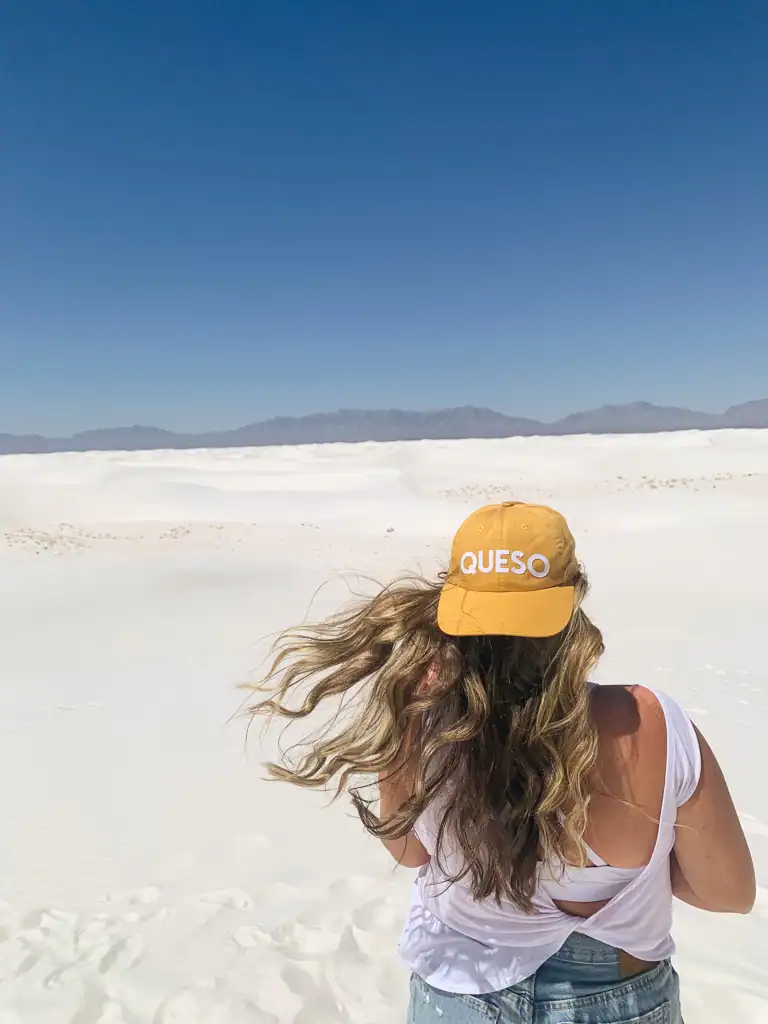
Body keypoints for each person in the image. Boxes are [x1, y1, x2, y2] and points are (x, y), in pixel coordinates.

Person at [247, 502, 755, 1023]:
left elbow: (410, 853)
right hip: (617, 995)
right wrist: (642, 872)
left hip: (459, 990)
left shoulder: (422, 718)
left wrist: (406, 722)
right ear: (574, 599)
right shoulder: (650, 724)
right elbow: (730, 893)